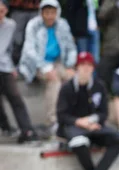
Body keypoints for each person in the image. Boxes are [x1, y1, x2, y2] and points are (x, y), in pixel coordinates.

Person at [56, 51, 119, 170]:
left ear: (93, 68)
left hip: (93, 126)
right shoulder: (67, 88)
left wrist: (90, 122)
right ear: (77, 67)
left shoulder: (99, 86)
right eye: (82, 65)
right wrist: (79, 122)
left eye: (89, 65)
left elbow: (103, 113)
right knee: (79, 141)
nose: (86, 68)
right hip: (73, 127)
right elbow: (62, 115)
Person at [18, 0, 77, 131]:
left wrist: (70, 66)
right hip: (36, 65)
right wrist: (45, 67)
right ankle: (53, 121)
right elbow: (29, 51)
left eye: (52, 13)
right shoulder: (33, 25)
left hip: (58, 62)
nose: (50, 16)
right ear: (42, 13)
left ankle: (74, 117)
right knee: (54, 80)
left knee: (74, 79)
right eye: (47, 13)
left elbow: (71, 47)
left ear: (57, 13)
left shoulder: (63, 24)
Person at [0, 0, 39, 143]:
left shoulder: (10, 25)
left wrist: (12, 66)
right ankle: (5, 126)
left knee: (15, 98)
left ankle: (27, 130)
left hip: (4, 67)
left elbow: (10, 49)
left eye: (3, 11)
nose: (1, 14)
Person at [7, 0, 40, 65]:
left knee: (35, 39)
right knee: (16, 40)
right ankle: (13, 65)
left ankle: (32, 65)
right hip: (17, 8)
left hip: (35, 8)